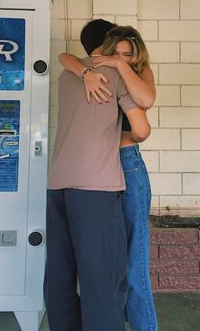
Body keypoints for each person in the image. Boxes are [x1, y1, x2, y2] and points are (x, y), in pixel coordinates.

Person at [44, 20, 151, 331]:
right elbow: (142, 129)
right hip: (95, 189)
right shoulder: (116, 74)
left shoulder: (68, 74)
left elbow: (65, 57)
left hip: (57, 185)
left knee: (61, 274)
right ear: (108, 44)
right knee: (103, 280)